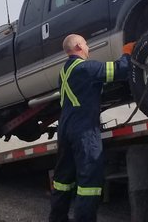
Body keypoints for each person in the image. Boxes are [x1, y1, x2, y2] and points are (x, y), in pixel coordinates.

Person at [49, 34, 135, 222]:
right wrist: (127, 52)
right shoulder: (85, 68)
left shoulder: (64, 72)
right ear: (79, 46)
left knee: (63, 179)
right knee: (89, 180)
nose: (89, 48)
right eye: (86, 44)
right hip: (83, 129)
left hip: (65, 128)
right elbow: (120, 70)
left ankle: (57, 218)